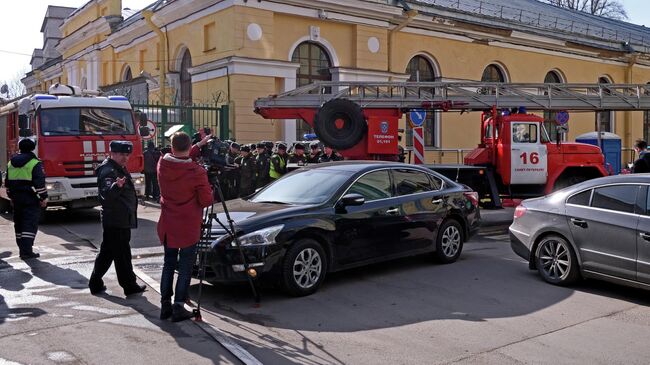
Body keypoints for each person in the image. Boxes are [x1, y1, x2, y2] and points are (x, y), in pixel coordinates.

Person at [157, 131, 213, 322]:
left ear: (172, 146)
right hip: (188, 225)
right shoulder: (196, 172)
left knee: (168, 264)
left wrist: (199, 145)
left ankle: (165, 304)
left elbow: (180, 158)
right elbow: (206, 200)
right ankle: (179, 305)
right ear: (189, 147)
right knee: (186, 266)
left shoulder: (162, 164)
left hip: (168, 224)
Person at [88, 141, 146, 296]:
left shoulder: (117, 168)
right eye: (122, 154)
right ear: (112, 153)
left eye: (127, 155)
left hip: (120, 218)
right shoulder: (108, 170)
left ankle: (95, 282)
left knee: (108, 252)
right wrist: (116, 187)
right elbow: (106, 196)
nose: (125, 158)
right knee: (122, 254)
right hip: (116, 219)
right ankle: (129, 285)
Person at [5, 138, 47, 259]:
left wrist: (11, 197)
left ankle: (22, 249)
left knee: (19, 224)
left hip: (16, 199)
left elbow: (7, 182)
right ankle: (26, 252)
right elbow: (39, 183)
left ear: (19, 148)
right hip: (30, 199)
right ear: (33, 148)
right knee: (29, 224)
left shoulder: (11, 162)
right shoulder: (34, 163)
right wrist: (43, 197)